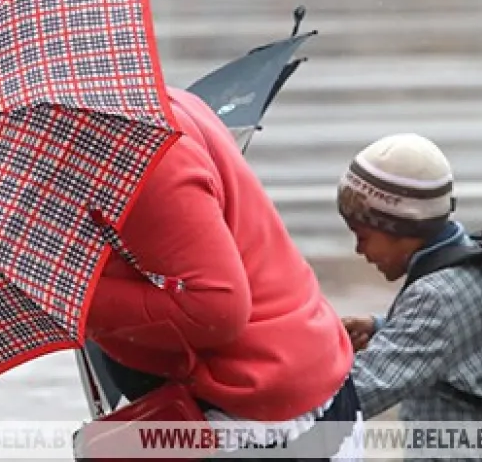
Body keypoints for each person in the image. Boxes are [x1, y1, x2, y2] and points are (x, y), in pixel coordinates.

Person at [85, 86, 362, 461]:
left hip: (262, 414)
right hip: (271, 383)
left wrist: (75, 293)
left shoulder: (138, 152)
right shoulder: (150, 107)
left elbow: (216, 307)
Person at [335, 134, 482, 461]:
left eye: (363, 236)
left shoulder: (436, 298)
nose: (359, 250)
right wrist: (382, 329)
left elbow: (355, 396)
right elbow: (452, 341)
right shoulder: (470, 259)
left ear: (400, 228)